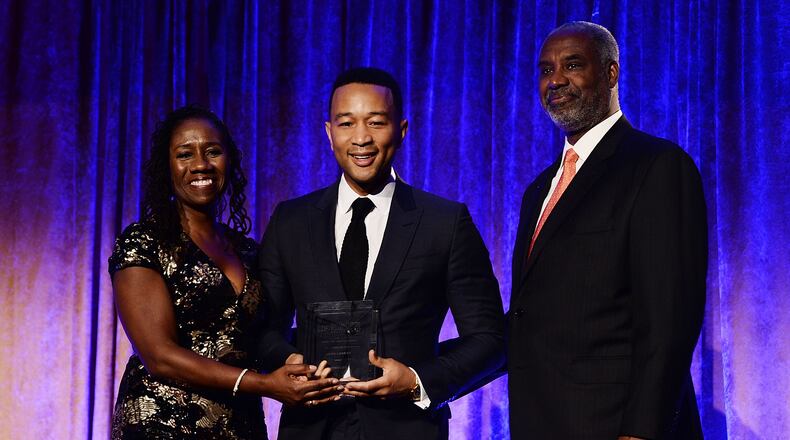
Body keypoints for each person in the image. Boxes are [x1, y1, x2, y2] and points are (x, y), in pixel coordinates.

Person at [256, 67, 506, 440]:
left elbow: (491, 339)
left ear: (401, 130)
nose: (361, 139)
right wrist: (289, 360)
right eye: (346, 124)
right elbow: (261, 330)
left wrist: (417, 381)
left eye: (375, 122)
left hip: (407, 429)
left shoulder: (445, 223)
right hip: (311, 429)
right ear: (329, 132)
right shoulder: (290, 220)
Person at [508, 21, 708, 439]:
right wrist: (424, 378)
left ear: (611, 73)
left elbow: (668, 323)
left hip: (617, 427)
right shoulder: (538, 191)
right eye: (546, 70)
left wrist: (640, 431)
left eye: (573, 65)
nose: (556, 80)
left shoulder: (657, 167)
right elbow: (530, 322)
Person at [108, 106, 340, 439]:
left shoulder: (246, 250)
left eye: (213, 152)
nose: (201, 164)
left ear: (228, 162)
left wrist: (333, 348)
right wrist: (264, 384)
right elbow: (160, 356)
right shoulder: (144, 241)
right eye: (185, 154)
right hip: (164, 424)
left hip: (239, 425)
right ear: (167, 167)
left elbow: (257, 336)